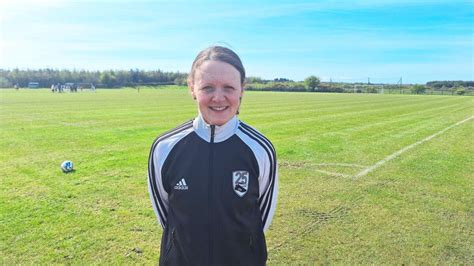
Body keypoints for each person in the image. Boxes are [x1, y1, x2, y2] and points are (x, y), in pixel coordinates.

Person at [148, 46, 278, 266]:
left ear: (242, 90)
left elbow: (262, 216)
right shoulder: (165, 147)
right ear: (192, 88)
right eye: (208, 87)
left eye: (229, 87)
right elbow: (165, 215)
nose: (219, 98)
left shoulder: (260, 149)